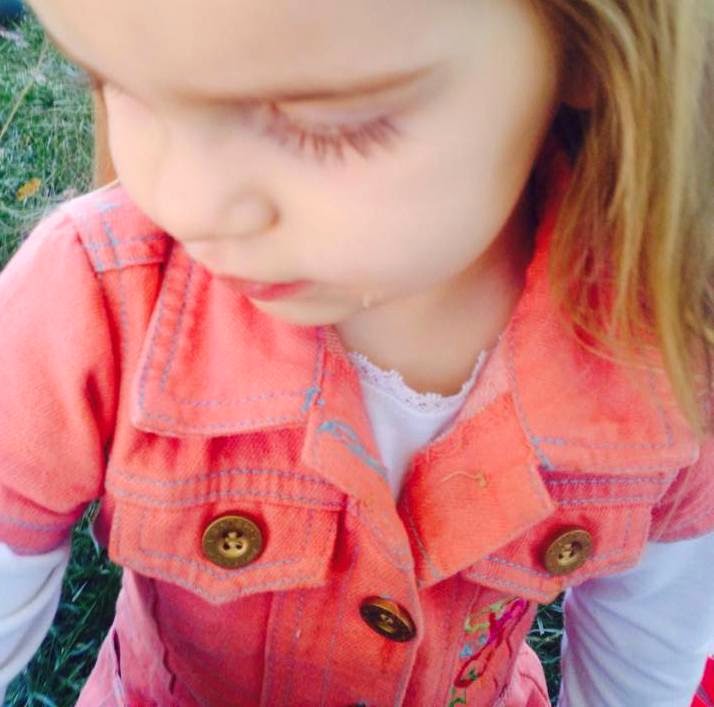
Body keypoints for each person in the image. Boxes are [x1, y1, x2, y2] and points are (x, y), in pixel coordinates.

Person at [0, 0, 712, 704]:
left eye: (325, 119)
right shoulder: (89, 305)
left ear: (590, 47)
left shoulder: (667, 372)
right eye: (118, 81)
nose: (190, 205)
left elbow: (645, 647)